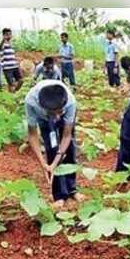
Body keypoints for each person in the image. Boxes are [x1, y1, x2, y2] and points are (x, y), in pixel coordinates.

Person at [25, 80, 84, 209]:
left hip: (63, 115)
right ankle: (59, 194)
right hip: (44, 119)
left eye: (60, 112)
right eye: (53, 113)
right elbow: (33, 134)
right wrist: (44, 164)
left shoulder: (70, 103)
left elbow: (67, 135)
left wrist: (57, 160)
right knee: (51, 148)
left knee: (69, 150)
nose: (57, 117)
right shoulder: (31, 102)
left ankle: (72, 189)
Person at [0, 28, 23, 93]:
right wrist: (3, 40)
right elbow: (0, 48)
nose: (9, 36)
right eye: (7, 34)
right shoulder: (3, 44)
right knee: (11, 84)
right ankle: (12, 97)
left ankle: (14, 92)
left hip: (15, 66)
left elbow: (13, 56)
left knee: (21, 80)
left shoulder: (11, 44)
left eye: (10, 34)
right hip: (7, 68)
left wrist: (17, 64)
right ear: (4, 35)